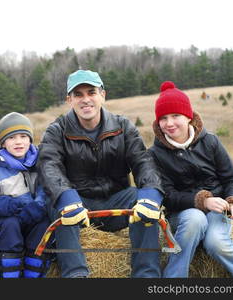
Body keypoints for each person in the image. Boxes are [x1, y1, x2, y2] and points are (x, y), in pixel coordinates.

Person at [37, 70, 164, 278]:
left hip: (118, 201)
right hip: (78, 207)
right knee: (56, 203)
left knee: (143, 202)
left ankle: (147, 275)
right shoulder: (57, 130)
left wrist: (151, 197)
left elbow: (144, 162)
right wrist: (67, 199)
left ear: (103, 95)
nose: (86, 99)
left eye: (91, 92)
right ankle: (76, 275)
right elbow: (49, 166)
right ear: (69, 100)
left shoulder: (123, 127)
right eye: (78, 94)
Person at [149, 81, 233, 278]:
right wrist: (202, 201)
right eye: (163, 118)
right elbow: (167, 196)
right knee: (195, 219)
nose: (169, 123)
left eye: (175, 116)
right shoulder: (155, 154)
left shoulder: (210, 141)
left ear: (188, 117)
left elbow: (232, 178)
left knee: (216, 242)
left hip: (217, 210)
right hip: (182, 214)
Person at [0, 112, 52, 278]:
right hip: (6, 220)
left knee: (44, 226)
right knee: (10, 226)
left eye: (23, 136)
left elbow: (48, 189)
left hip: (32, 216)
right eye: (11, 138)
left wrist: (39, 205)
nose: (18, 142)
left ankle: (33, 276)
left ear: (30, 139)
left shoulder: (41, 161)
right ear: (3, 143)